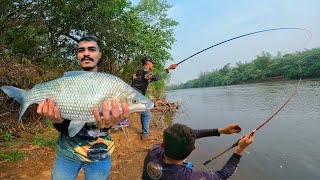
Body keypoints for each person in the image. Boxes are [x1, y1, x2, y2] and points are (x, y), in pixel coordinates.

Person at [37, 36, 129, 180]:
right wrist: (57, 120)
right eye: (81, 50)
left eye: (92, 49)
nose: (86, 53)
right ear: (78, 56)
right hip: (67, 153)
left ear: (100, 54)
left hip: (100, 154)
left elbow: (120, 120)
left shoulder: (111, 84)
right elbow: (64, 126)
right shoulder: (66, 83)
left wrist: (112, 123)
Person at [142, 123, 254, 180]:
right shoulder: (188, 177)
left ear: (163, 144)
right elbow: (223, 175)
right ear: (193, 149)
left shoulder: (154, 150)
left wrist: (220, 131)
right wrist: (239, 150)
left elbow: (183, 136)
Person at [131, 56, 177, 140]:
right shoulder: (144, 70)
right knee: (147, 113)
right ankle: (145, 135)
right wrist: (168, 69)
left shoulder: (142, 71)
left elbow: (148, 79)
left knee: (144, 112)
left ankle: (144, 132)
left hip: (137, 94)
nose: (153, 65)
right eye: (152, 63)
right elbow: (155, 78)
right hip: (136, 94)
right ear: (148, 62)